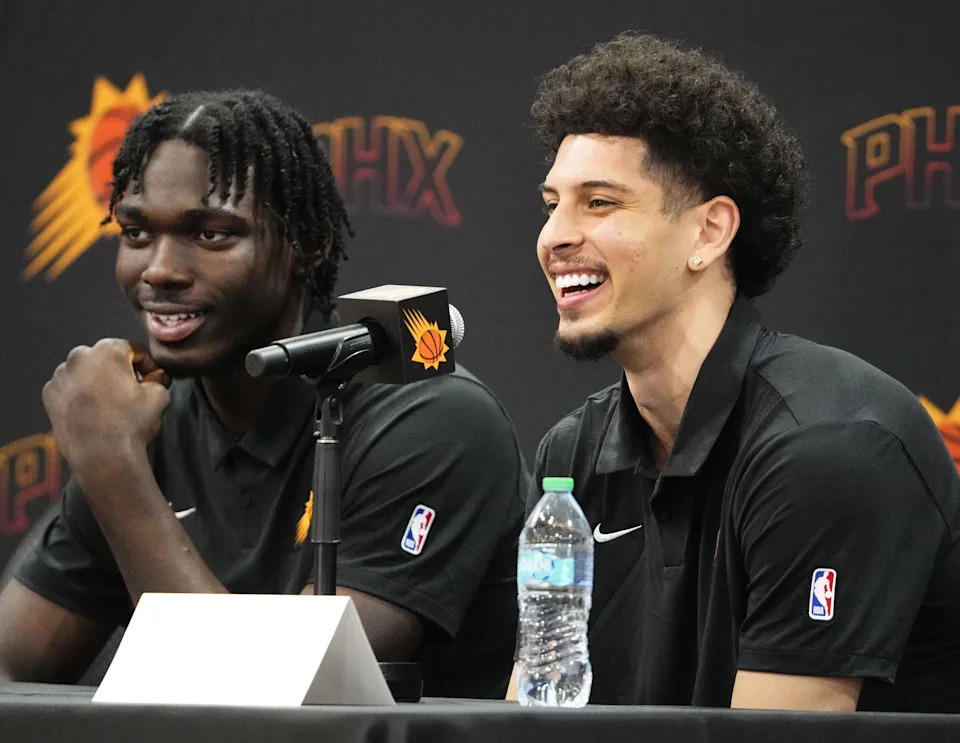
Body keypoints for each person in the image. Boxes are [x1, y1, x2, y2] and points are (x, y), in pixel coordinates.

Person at [0, 89, 527, 699]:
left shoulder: (433, 418)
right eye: (137, 231)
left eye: (212, 234)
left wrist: (112, 467)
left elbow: (272, 698)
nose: (159, 269)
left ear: (310, 242)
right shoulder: (148, 418)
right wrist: (116, 459)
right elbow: (11, 668)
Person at [520, 32, 960, 711]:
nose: (555, 236)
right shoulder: (570, 456)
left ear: (709, 232)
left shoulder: (829, 445)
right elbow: (534, 712)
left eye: (599, 202)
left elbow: (773, 737)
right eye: (553, 204)